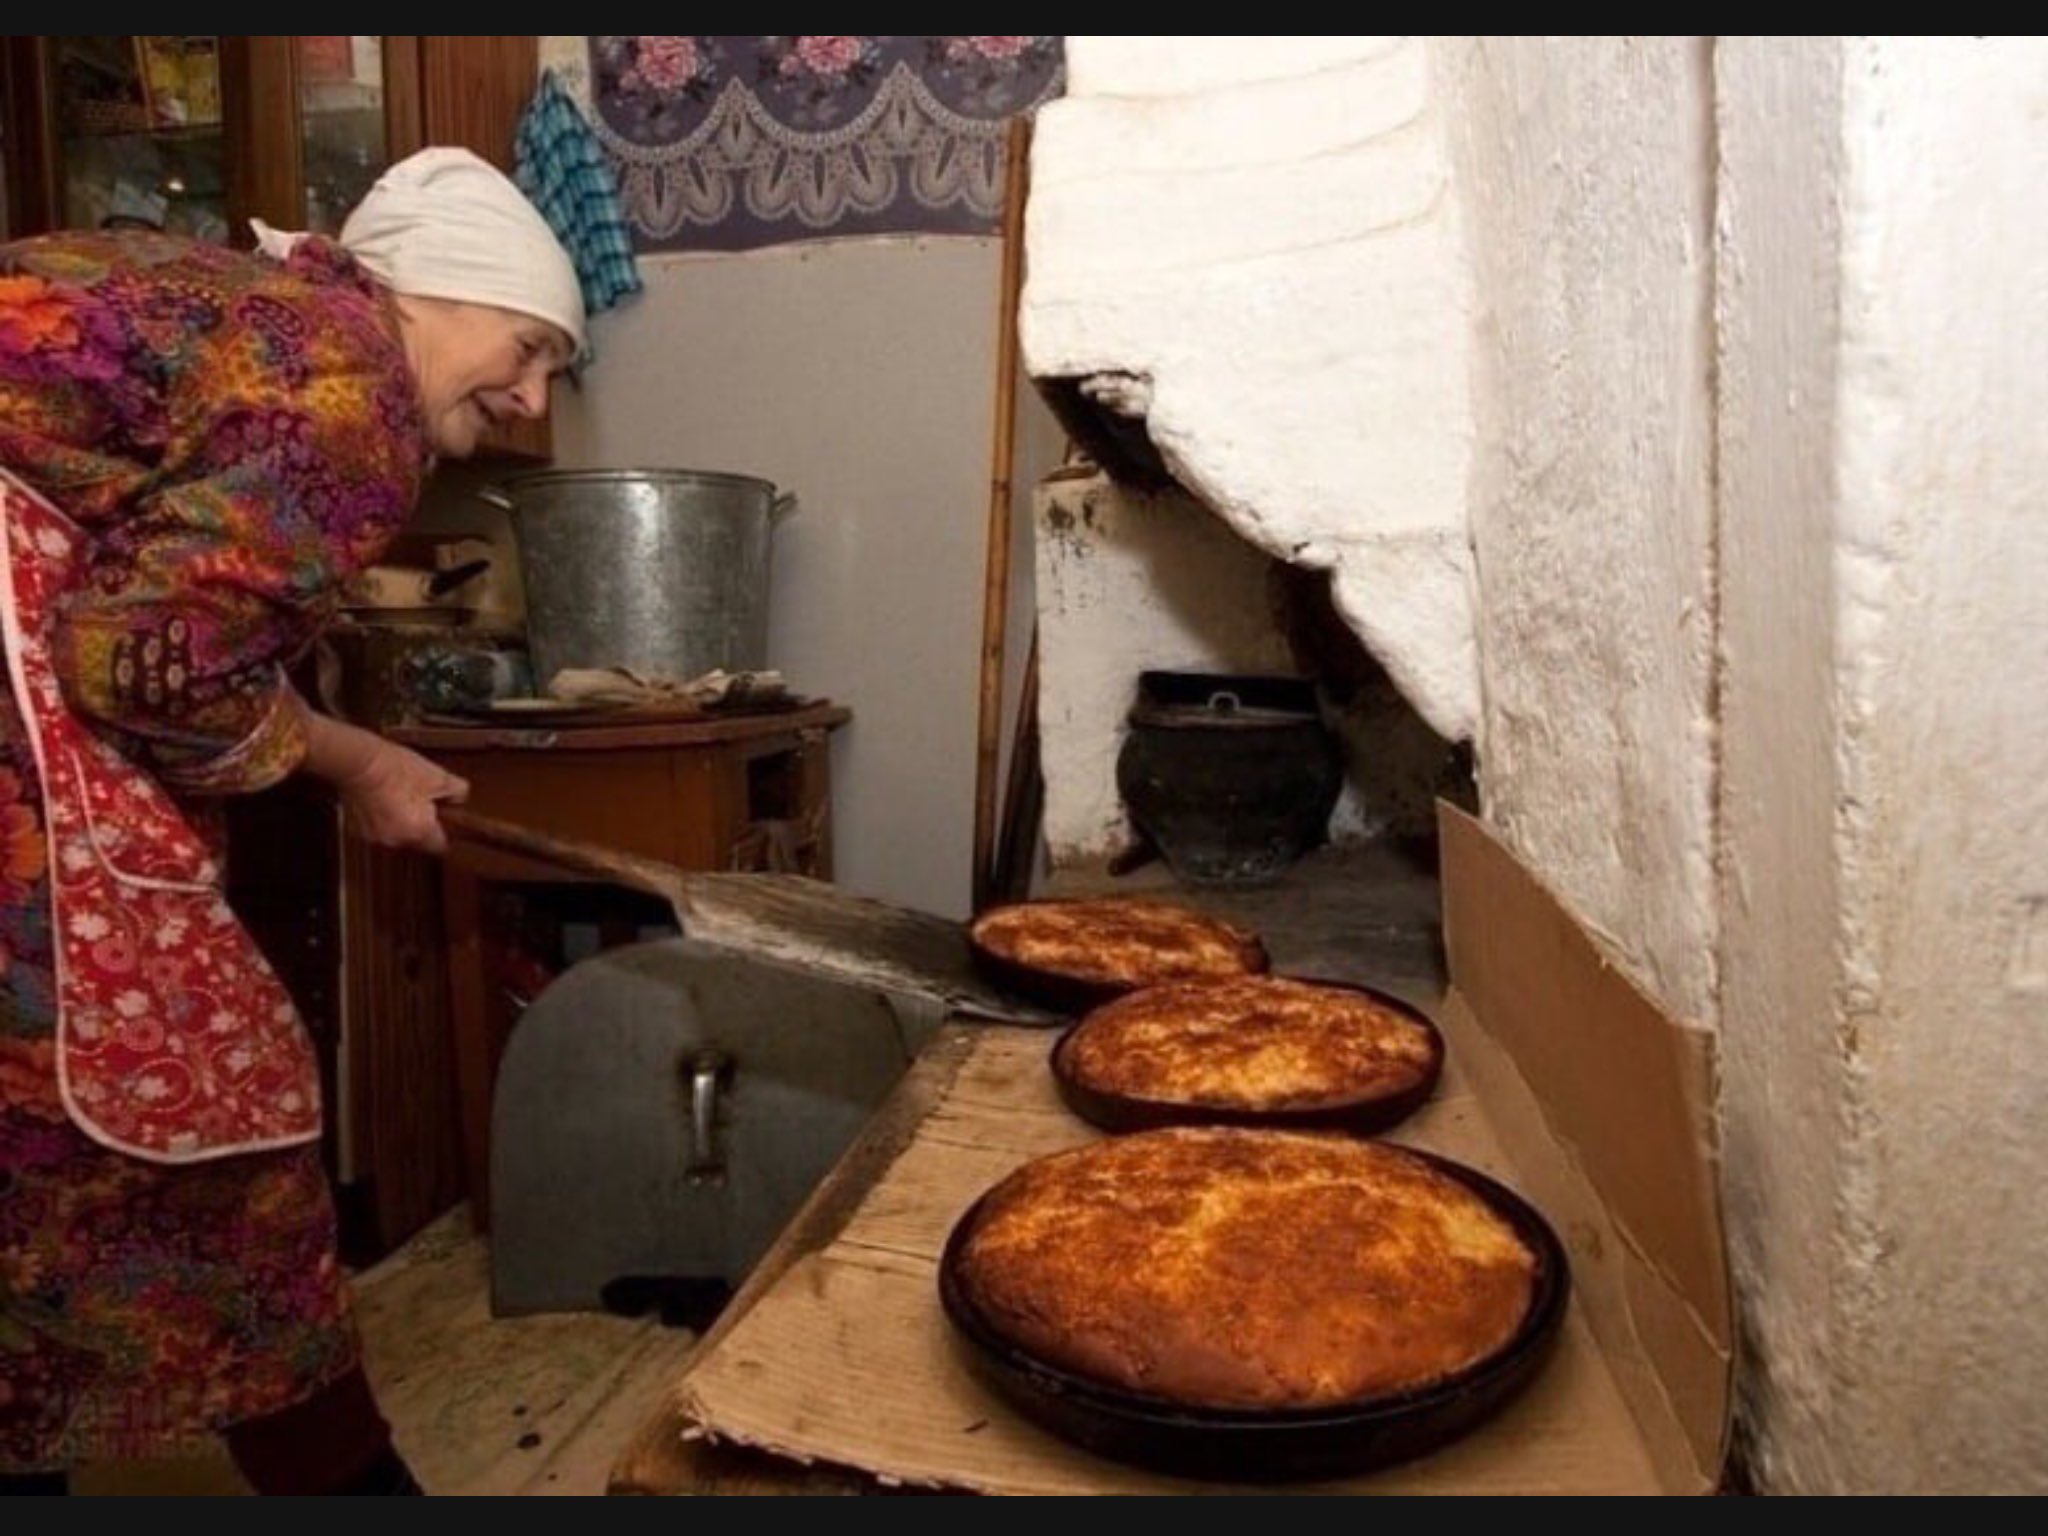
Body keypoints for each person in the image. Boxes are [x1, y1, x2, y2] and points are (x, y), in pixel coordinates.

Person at [0, 147, 584, 1495]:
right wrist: (351, 761)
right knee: (213, 1098)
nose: (531, 395)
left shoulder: (252, 316)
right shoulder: (344, 388)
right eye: (527, 344)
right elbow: (147, 662)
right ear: (428, 298)